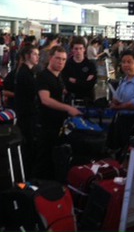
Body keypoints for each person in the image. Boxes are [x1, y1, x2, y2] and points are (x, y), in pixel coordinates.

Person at [33, 46, 82, 179]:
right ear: (50, 58)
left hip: (57, 125)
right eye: (58, 58)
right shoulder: (43, 76)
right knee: (43, 160)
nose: (61, 62)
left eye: (64, 59)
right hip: (45, 124)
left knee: (54, 158)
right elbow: (45, 100)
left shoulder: (59, 76)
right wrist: (68, 108)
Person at [4, 44, 39, 177]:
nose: (37, 57)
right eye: (35, 54)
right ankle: (27, 173)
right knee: (28, 142)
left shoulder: (26, 72)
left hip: (24, 111)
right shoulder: (25, 73)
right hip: (26, 113)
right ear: (27, 56)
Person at [108, 50, 134, 158]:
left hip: (133, 123)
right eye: (123, 62)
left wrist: (118, 107)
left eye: (129, 62)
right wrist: (114, 102)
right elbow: (118, 97)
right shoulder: (123, 80)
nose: (125, 65)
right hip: (121, 120)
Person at [61, 36, 97, 104]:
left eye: (81, 48)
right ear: (72, 49)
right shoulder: (67, 64)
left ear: (84, 49)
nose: (78, 51)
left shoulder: (90, 65)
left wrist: (75, 81)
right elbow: (66, 83)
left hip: (87, 100)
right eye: (76, 49)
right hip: (70, 99)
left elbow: (90, 85)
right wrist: (83, 82)